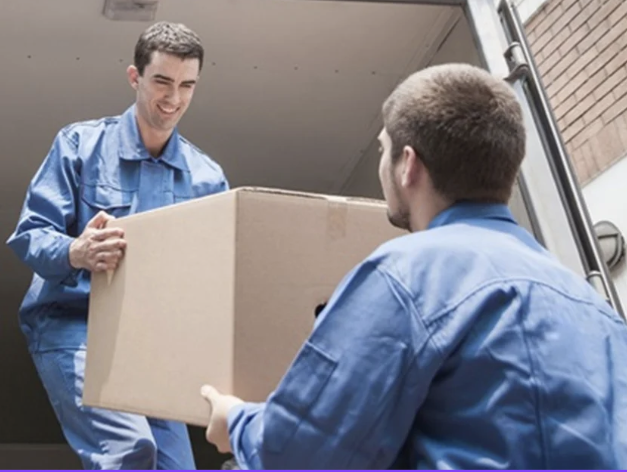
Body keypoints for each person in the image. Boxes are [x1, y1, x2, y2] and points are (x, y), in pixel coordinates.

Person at [201, 63, 627, 469]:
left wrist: (235, 422)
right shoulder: (592, 305)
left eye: (383, 150)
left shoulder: (406, 275)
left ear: (409, 165)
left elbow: (297, 454)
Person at [8, 21, 229, 469]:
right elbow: (30, 236)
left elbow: (216, 282)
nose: (173, 98)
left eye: (187, 85)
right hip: (74, 326)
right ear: (135, 77)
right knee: (131, 451)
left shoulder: (209, 179)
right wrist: (77, 252)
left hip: (153, 345)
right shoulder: (79, 145)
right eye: (162, 82)